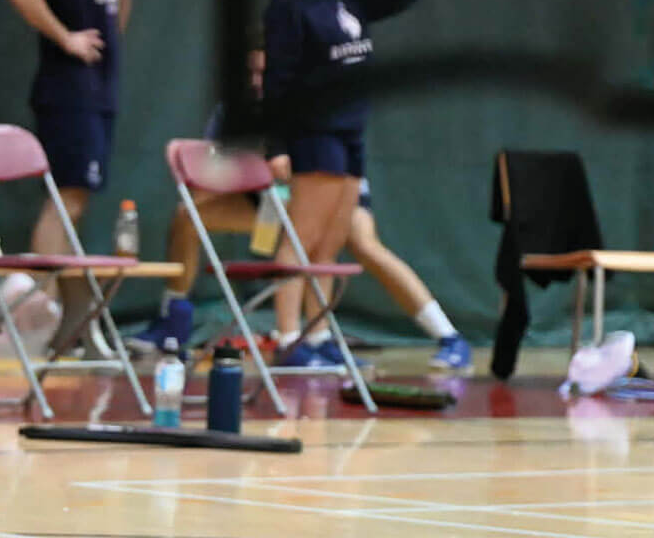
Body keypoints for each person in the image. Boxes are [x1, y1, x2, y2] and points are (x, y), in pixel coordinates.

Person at [136, 47, 471, 372]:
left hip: (332, 191)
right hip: (269, 201)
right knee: (187, 216)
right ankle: (172, 319)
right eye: (250, 72)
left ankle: (449, 336)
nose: (256, 80)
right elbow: (210, 169)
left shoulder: (308, 105)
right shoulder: (234, 108)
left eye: (263, 73)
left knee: (365, 246)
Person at [263, 0, 418, 370]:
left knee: (329, 245)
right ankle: (288, 336)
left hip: (351, 130)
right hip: (313, 131)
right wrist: (276, 146)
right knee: (301, 237)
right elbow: (278, 79)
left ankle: (318, 335)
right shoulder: (290, 0)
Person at [1, 0, 131, 347]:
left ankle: (52, 311)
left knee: (75, 200)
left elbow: (114, 29)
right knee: (64, 198)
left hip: (98, 96)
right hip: (69, 94)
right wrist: (65, 37)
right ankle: (38, 310)